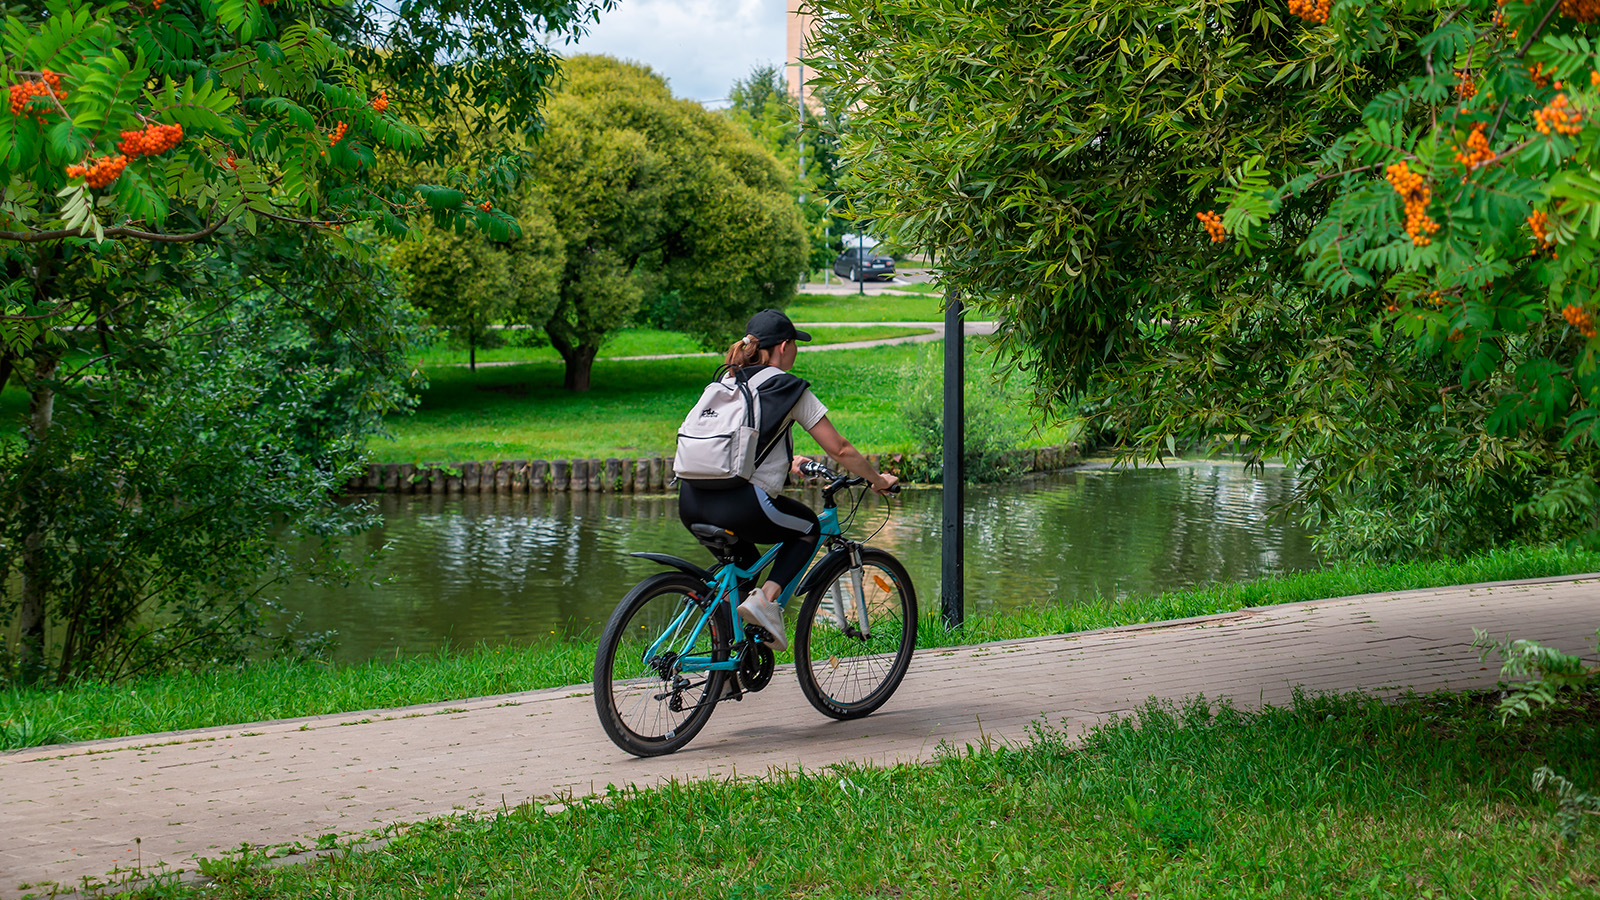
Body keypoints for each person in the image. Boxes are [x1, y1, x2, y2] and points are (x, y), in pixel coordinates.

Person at [677, 308, 898, 651]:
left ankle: (727, 664)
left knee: (744, 567)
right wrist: (877, 480)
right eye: (796, 344)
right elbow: (839, 449)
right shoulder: (787, 387)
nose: (797, 350)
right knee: (809, 528)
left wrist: (786, 460)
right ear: (783, 346)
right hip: (740, 504)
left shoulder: (727, 382)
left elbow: (733, 443)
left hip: (691, 501)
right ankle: (766, 600)